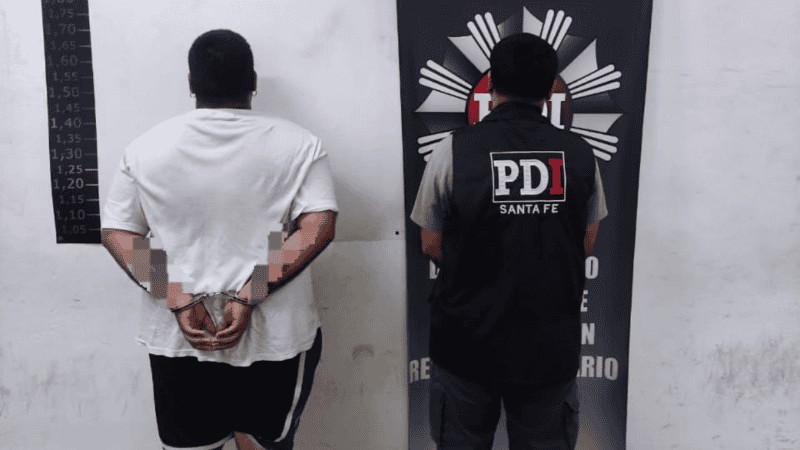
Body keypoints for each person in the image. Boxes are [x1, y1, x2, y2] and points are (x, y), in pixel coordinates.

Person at [101, 29, 337, 450]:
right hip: (274, 338)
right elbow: (316, 226)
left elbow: (119, 231)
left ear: (191, 83)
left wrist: (177, 297)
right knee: (263, 443)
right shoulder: (299, 144)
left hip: (180, 338)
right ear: (253, 81)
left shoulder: (145, 148)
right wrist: (249, 294)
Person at [411, 33, 607, 449]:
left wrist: (479, 267)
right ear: (552, 87)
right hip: (548, 346)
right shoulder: (580, 153)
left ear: (489, 84)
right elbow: (586, 241)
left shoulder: (452, 150)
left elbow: (430, 242)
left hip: (466, 344)